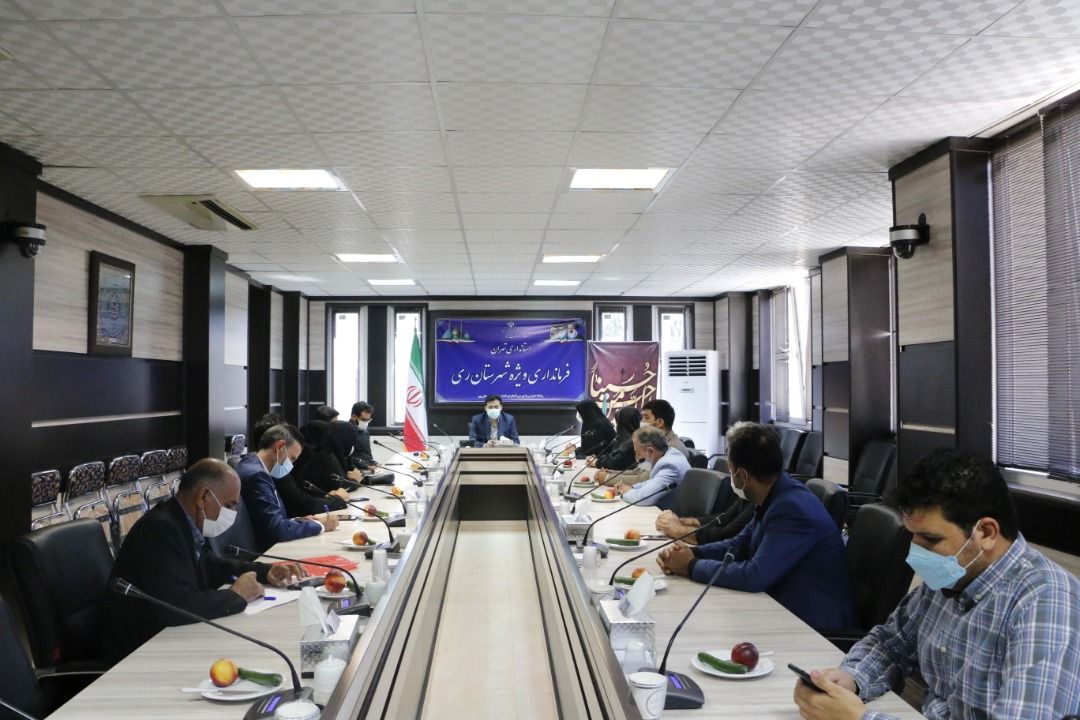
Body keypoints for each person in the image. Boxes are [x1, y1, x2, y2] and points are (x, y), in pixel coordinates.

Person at [793, 449, 1080, 720]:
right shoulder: (951, 576)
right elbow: (890, 644)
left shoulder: (1046, 603)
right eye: (913, 536)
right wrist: (851, 679)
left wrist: (861, 718)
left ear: (986, 532)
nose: (916, 553)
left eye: (930, 539)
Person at [657, 422, 855, 632]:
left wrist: (690, 566)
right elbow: (738, 546)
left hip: (813, 625)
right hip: (781, 606)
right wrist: (691, 553)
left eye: (731, 470)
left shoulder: (792, 509)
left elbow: (754, 576)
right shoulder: (776, 494)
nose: (731, 477)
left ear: (743, 475)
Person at [103, 459, 304, 664]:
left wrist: (264, 572)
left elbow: (212, 565)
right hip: (137, 653)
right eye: (229, 505)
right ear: (203, 497)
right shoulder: (159, 531)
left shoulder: (181, 520)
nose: (233, 513)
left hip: (166, 640)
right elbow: (176, 606)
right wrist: (236, 595)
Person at [237, 423, 338, 553]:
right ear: (280, 446)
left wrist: (298, 521)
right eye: (292, 459)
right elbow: (276, 530)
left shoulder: (250, 463)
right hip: (264, 553)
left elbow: (267, 520)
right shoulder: (257, 476)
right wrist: (320, 525)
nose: (291, 465)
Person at [251, 413, 350, 517]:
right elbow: (301, 504)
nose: (291, 464)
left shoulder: (264, 467)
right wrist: (335, 501)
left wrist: (326, 497)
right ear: (279, 445)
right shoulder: (263, 474)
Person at [595, 399, 688, 486]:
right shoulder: (655, 442)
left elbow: (644, 479)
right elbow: (638, 471)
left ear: (660, 422)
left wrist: (607, 478)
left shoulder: (672, 448)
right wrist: (610, 473)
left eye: (646, 417)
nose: (642, 422)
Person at [654, 476, 755, 545]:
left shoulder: (758, 501)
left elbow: (726, 535)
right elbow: (725, 517)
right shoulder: (748, 494)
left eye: (730, 470)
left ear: (742, 473)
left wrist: (677, 529)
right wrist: (679, 521)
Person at [614, 425, 691, 508]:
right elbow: (653, 482)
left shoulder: (670, 466)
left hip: (671, 514)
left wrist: (624, 491)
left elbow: (642, 499)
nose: (636, 457)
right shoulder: (669, 454)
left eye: (638, 453)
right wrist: (632, 487)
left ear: (651, 451)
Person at [590, 406, 641, 471]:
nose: (617, 426)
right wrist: (598, 458)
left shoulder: (632, 442)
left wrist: (597, 463)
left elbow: (616, 463)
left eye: (618, 422)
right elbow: (613, 455)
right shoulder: (622, 438)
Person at [348, 401, 376, 468]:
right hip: (353, 470)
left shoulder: (365, 432)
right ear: (354, 417)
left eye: (368, 420)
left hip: (366, 469)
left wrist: (374, 463)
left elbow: (368, 454)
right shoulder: (345, 431)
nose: (366, 423)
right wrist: (366, 466)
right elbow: (346, 457)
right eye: (363, 420)